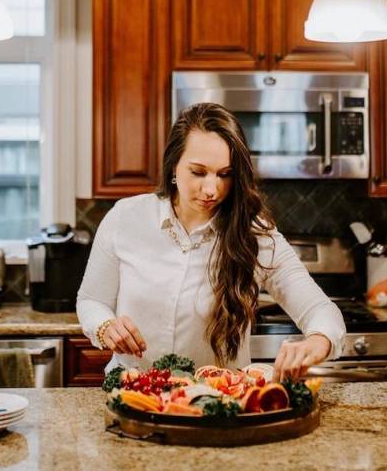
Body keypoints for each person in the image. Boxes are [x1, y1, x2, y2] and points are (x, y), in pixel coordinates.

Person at [76, 102, 344, 381]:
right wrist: (105, 326)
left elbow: (321, 309)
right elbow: (91, 300)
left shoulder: (254, 235)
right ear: (173, 166)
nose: (211, 189)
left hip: (216, 400)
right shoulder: (126, 217)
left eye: (225, 174)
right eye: (198, 172)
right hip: (133, 394)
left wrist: (318, 341)